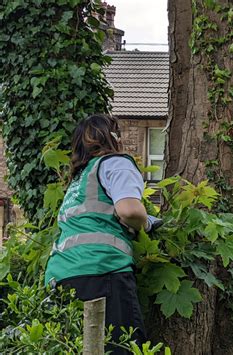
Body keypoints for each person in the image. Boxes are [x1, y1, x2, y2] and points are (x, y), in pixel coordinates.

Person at [45, 114, 162, 353]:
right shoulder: (115, 163)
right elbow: (129, 210)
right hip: (103, 272)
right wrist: (146, 223)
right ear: (113, 138)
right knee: (122, 348)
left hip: (61, 277)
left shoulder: (79, 180)